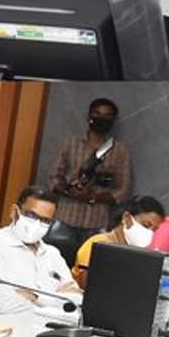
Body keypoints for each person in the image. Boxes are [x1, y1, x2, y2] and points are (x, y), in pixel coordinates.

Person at [0, 186, 82, 314]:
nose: (37, 224)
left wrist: (36, 296)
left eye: (45, 220)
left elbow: (77, 302)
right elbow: (3, 306)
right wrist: (57, 301)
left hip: (47, 324)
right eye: (31, 215)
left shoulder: (53, 253)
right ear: (14, 212)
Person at [47, 98, 132, 246]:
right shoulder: (70, 143)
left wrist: (93, 197)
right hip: (65, 218)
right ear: (89, 116)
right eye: (97, 113)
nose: (101, 118)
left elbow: (123, 191)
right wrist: (70, 191)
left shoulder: (119, 151)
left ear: (113, 120)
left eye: (107, 115)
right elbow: (53, 177)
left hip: (97, 224)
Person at [71, 195, 165, 288]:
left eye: (154, 230)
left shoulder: (139, 255)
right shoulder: (97, 244)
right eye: (146, 225)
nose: (149, 232)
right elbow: (88, 286)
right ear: (126, 218)